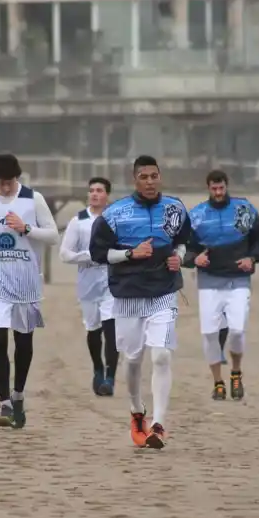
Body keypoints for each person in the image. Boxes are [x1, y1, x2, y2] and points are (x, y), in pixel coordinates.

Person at [89, 155, 191, 449]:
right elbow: (98, 253)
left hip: (164, 292)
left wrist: (179, 257)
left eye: (154, 176)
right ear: (135, 179)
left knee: (161, 356)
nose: (150, 182)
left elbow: (185, 241)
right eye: (143, 177)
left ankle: (158, 424)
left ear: (160, 177)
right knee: (133, 360)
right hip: (128, 294)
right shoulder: (115, 214)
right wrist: (130, 254)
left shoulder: (175, 208)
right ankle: (137, 412)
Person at [0, 153, 60, 428]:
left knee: (24, 343)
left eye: (10, 182)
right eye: (1, 183)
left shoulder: (33, 199)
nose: (6, 188)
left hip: (25, 279)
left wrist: (26, 228)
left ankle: (18, 394)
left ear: (18, 177)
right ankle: (4, 403)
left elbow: (53, 235)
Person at [184, 170, 259, 400]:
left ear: (226, 185)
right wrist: (194, 259)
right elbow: (184, 246)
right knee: (210, 334)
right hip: (209, 281)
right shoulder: (197, 215)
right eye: (214, 189)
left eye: (221, 188)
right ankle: (218, 382)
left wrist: (252, 258)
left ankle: (235, 372)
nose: (218, 192)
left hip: (237, 279)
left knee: (237, 330)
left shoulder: (244, 209)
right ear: (208, 188)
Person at [59, 177, 118, 396]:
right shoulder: (78, 221)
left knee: (112, 330)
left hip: (111, 281)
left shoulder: (115, 219)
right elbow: (64, 254)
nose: (94, 194)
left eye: (99, 190)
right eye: (91, 190)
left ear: (107, 195)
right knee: (93, 329)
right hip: (88, 283)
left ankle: (110, 378)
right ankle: (98, 368)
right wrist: (87, 257)